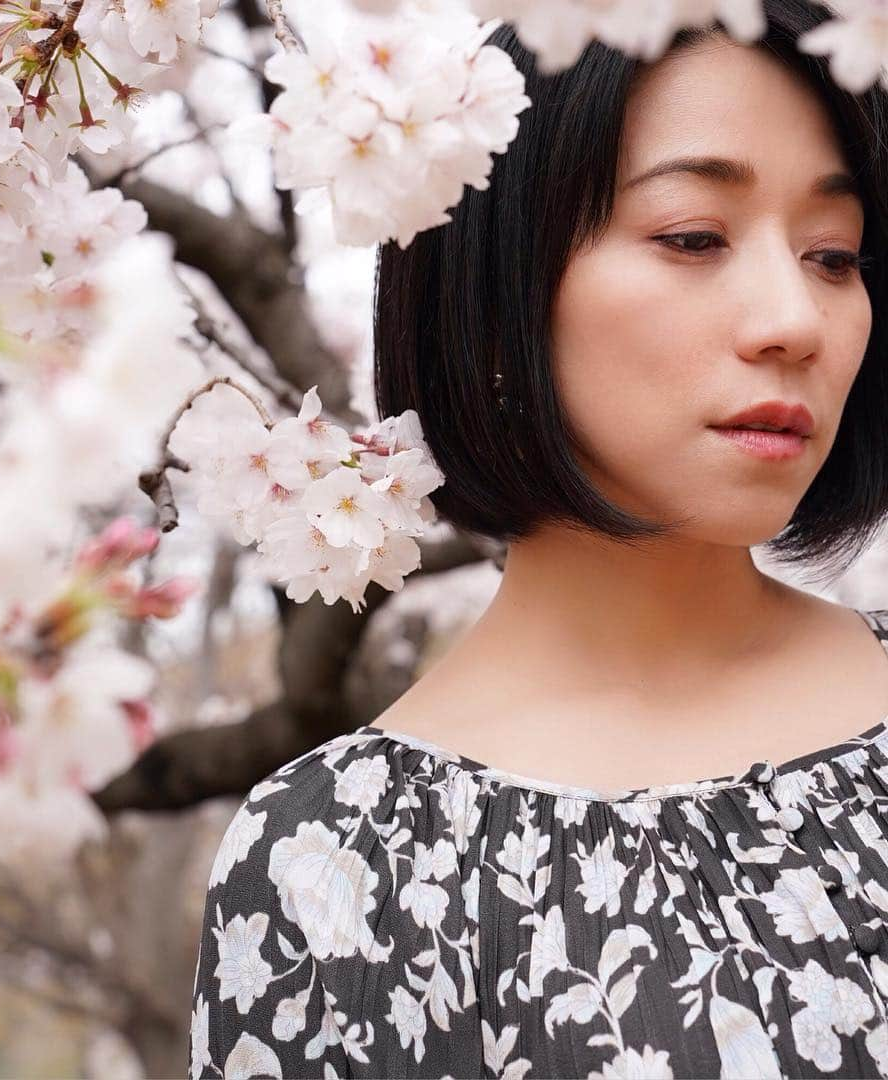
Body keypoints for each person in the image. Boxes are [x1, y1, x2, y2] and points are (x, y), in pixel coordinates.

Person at [189, 1, 888, 1075]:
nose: (794, 317)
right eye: (694, 236)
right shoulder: (337, 866)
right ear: (500, 288)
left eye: (834, 255)